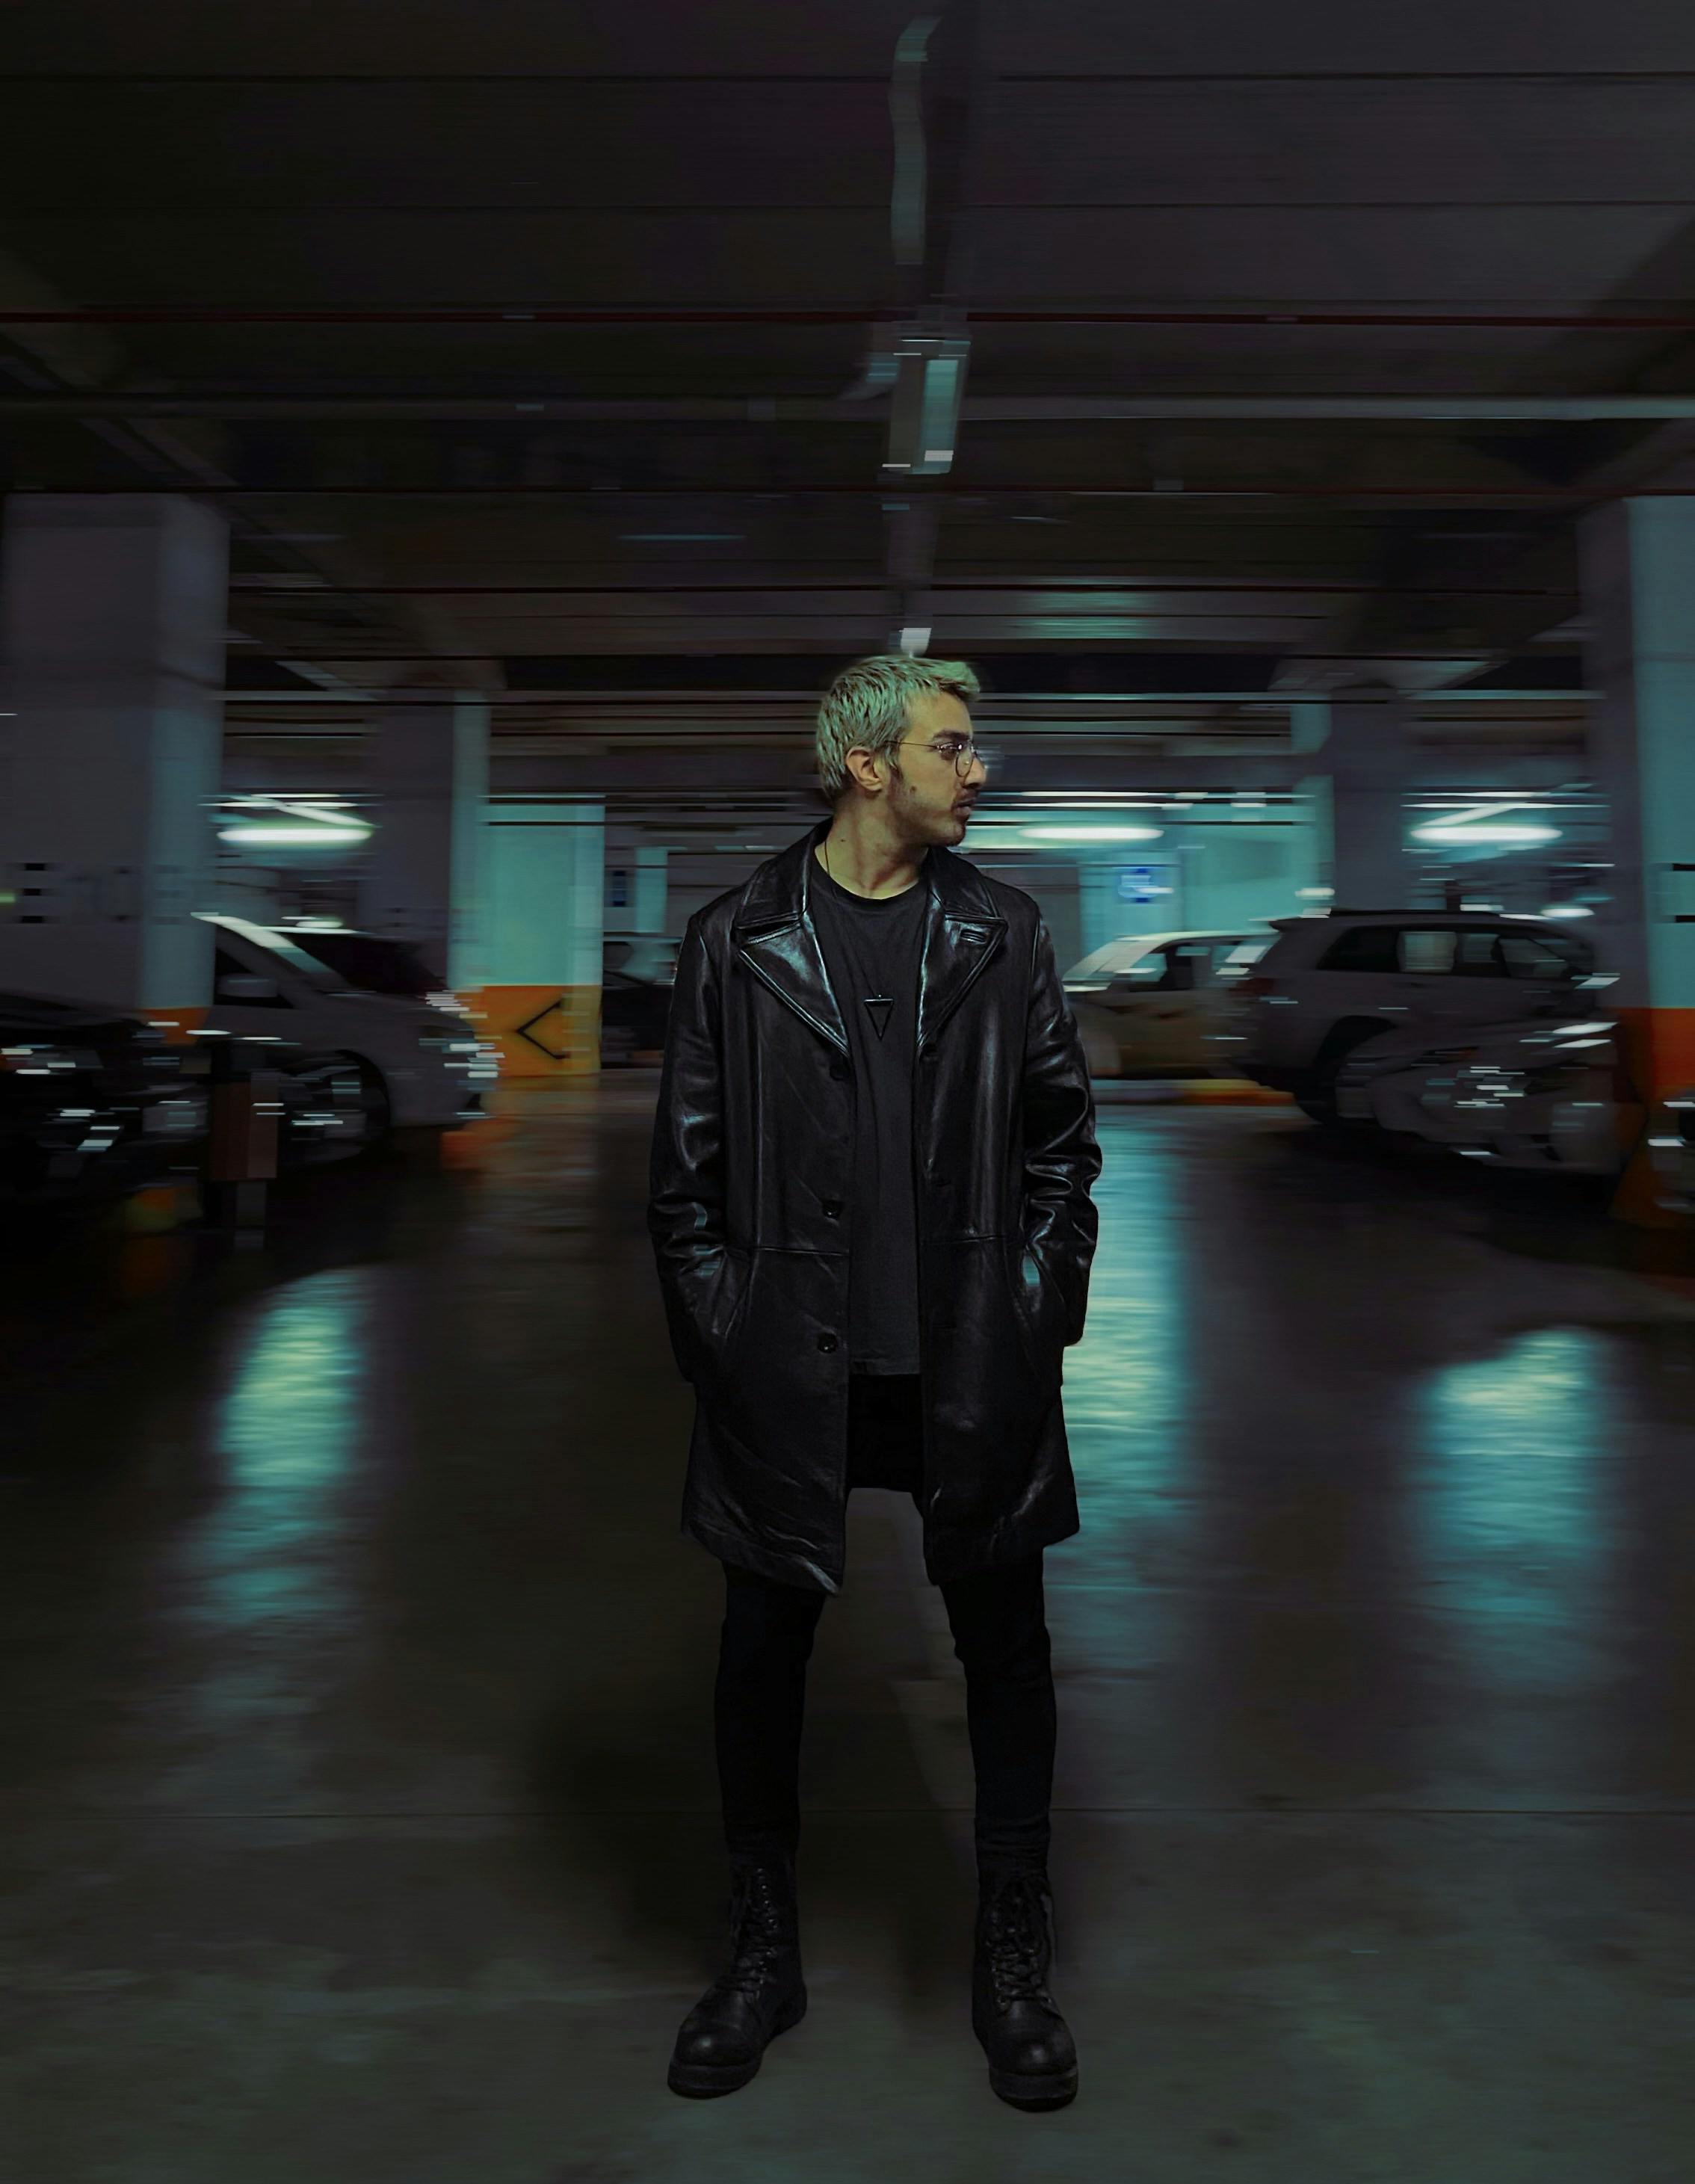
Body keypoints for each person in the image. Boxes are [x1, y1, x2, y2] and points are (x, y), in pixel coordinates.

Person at [648, 653, 1101, 2110]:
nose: (979, 772)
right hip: (792, 1361)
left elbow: (1060, 1151)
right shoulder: (738, 940)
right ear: (868, 766)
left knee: (1008, 1650)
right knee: (761, 1654)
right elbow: (686, 1184)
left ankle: (1010, 1953)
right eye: (954, 749)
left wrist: (1038, 1311)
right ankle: (763, 1952)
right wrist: (726, 1337)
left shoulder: (1006, 934)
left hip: (970, 1355)